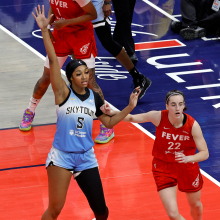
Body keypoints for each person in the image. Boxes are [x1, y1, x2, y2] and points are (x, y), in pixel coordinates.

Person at [32, 5, 140, 220]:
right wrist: (45, 30)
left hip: (86, 158)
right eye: (78, 73)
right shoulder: (62, 92)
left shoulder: (94, 97)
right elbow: (54, 61)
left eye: (85, 72)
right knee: (55, 210)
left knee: (102, 211)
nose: (84, 76)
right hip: (62, 157)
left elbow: (108, 123)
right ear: (71, 77)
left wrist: (129, 107)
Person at [102, 89, 209, 220]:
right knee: (172, 214)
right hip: (163, 167)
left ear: (183, 105)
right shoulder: (158, 117)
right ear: (167, 105)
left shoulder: (192, 125)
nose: (177, 107)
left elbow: (205, 153)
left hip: (186, 167)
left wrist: (188, 158)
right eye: (173, 104)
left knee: (195, 204)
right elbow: (131, 118)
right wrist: (112, 112)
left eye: (180, 104)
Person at [19, 0, 98, 131]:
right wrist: (48, 26)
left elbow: (93, 14)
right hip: (60, 35)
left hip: (81, 34)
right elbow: (54, 5)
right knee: (47, 77)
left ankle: (107, 122)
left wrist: (66, 22)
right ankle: (30, 110)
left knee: (89, 81)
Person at [91, 0, 152, 144]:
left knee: (108, 42)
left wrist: (106, 2)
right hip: (80, 5)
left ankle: (138, 77)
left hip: (95, 3)